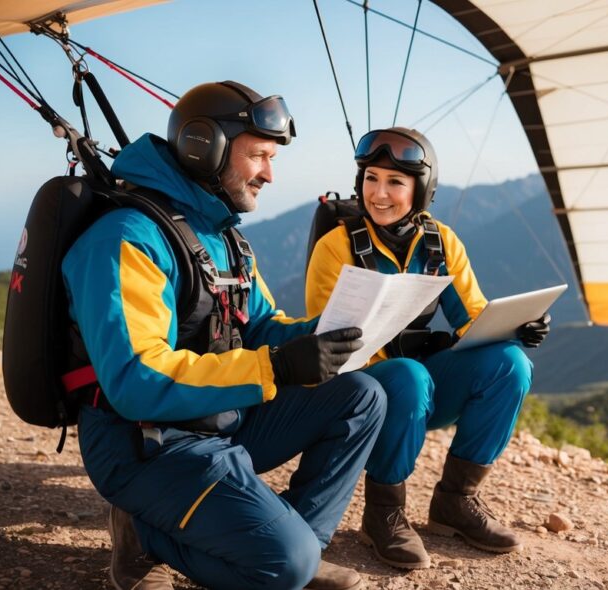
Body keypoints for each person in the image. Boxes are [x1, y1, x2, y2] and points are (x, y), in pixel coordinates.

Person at [63, 81, 386, 590]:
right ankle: (146, 533)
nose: (270, 174)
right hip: (146, 443)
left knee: (360, 395)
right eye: (258, 156)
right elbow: (134, 379)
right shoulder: (126, 238)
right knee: (285, 566)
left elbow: (258, 325)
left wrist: (324, 338)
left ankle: (293, 541)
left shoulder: (222, 235)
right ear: (203, 148)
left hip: (216, 421)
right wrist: (277, 367)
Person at [304, 127, 550, 570]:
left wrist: (518, 329)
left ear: (421, 189)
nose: (379, 193)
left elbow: (471, 317)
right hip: (362, 392)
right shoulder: (335, 248)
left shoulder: (441, 242)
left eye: (395, 182)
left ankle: (455, 503)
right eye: (371, 178)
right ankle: (384, 514)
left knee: (511, 364)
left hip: (421, 388)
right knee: (408, 375)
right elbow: (330, 344)